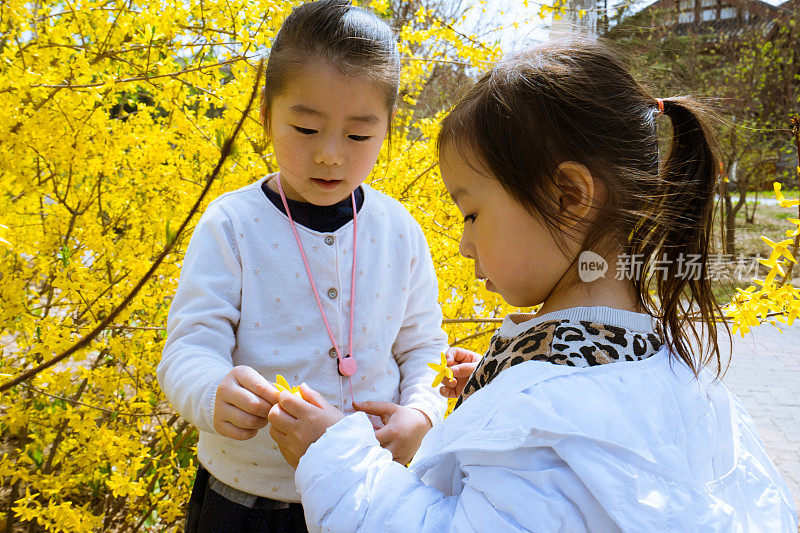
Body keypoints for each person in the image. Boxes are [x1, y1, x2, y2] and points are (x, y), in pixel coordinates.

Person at [266, 39, 800, 531]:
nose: (463, 245)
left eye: (472, 213)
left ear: (569, 196)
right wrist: (497, 388)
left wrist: (336, 457)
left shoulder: (550, 419)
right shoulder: (651, 361)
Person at [157, 1, 448, 530]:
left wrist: (421, 414)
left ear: (388, 128)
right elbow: (189, 346)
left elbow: (424, 345)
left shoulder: (399, 229)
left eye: (359, 135)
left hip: (367, 488)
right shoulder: (233, 224)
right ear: (267, 115)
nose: (331, 155)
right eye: (306, 129)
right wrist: (211, 390)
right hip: (245, 498)